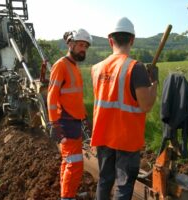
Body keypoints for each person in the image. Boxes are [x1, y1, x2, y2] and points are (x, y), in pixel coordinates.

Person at [90, 17, 158, 199]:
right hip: (126, 138)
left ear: (110, 40)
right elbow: (146, 105)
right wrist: (154, 82)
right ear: (132, 40)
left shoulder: (96, 68)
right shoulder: (135, 68)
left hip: (103, 135)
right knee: (124, 186)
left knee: (104, 180)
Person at [47, 28, 92, 200]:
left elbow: (74, 98)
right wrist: (54, 124)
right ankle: (67, 197)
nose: (83, 49)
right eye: (80, 45)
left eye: (85, 47)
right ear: (71, 44)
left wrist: (84, 118)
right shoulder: (61, 65)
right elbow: (51, 97)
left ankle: (67, 195)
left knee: (69, 162)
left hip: (74, 122)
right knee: (75, 164)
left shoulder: (73, 67)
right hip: (65, 123)